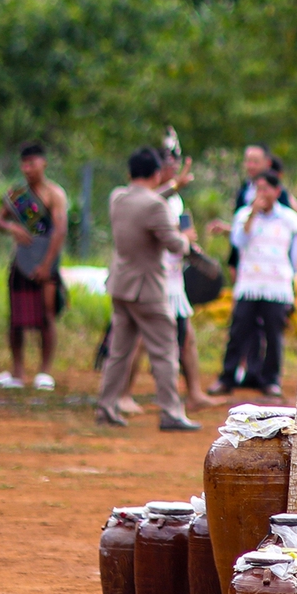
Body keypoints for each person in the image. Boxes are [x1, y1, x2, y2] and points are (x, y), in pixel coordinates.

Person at [96, 147, 197, 429]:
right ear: (155, 173)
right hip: (147, 289)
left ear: (129, 173)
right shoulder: (156, 207)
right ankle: (171, 413)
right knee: (164, 352)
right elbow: (175, 245)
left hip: (120, 286)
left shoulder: (117, 197)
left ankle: (106, 407)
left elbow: (145, 202)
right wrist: (187, 239)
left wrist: (174, 186)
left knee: (119, 352)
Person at [209, 172, 297, 399]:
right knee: (238, 331)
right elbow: (238, 241)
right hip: (249, 283)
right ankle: (227, 377)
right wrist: (252, 214)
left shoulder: (288, 219)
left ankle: (271, 379)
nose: (261, 194)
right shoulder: (243, 215)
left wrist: (291, 274)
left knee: (273, 334)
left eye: (265, 189)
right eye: (257, 189)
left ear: (276, 192)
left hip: (276, 286)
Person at [0, 143, 67, 391]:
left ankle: (44, 372)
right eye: (24, 164)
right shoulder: (18, 194)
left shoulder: (55, 194)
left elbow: (59, 231)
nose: (27, 169)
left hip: (46, 263)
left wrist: (47, 265)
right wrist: (12, 227)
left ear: (43, 163)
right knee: (16, 318)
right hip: (21, 262)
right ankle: (17, 372)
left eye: (32, 164)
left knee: (46, 316)